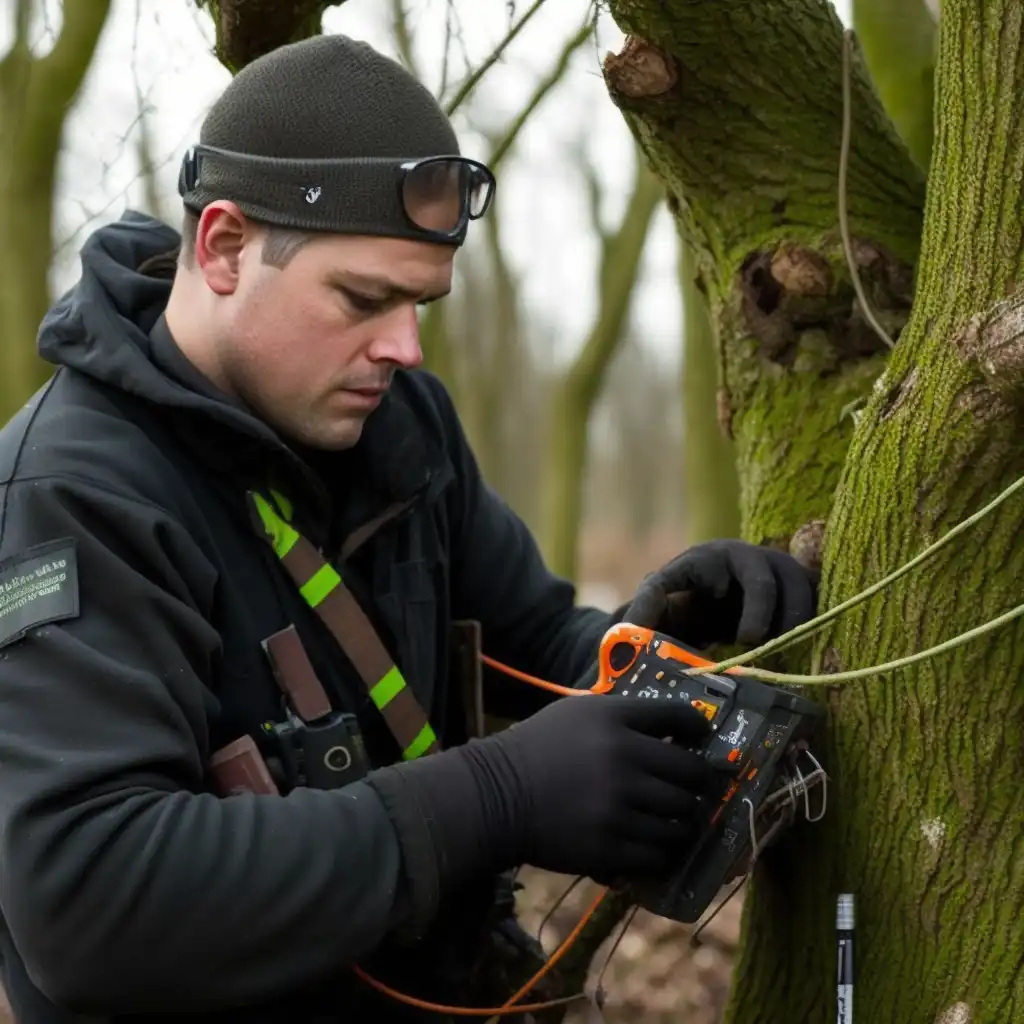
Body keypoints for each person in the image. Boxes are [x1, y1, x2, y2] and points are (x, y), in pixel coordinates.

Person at [0, 33, 818, 1024]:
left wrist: (643, 646)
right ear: (222, 247)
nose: (403, 346)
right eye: (363, 299)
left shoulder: (399, 424)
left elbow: (529, 646)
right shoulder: (76, 494)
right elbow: (84, 903)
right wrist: (493, 798)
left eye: (421, 301)